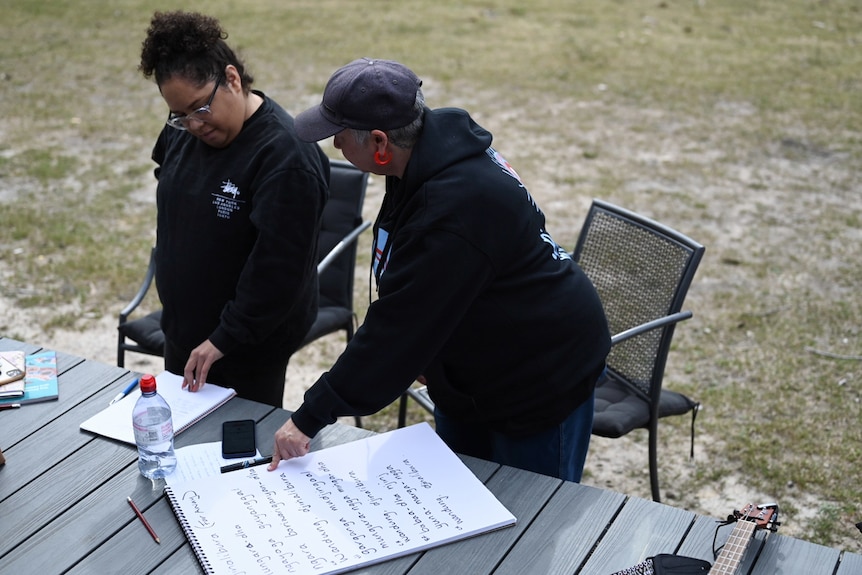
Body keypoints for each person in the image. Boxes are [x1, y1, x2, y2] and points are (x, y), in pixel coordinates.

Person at [270, 58, 610, 481]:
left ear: (379, 141)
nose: (334, 146)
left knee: (529, 518)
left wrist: (309, 416)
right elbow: (427, 293)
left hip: (539, 374)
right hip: (475, 368)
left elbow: (395, 330)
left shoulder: (453, 205)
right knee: (462, 491)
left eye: (338, 137)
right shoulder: (420, 158)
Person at [138, 11, 329, 406]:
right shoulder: (185, 131)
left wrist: (224, 338)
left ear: (232, 79)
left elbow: (280, 270)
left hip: (246, 345)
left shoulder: (285, 158)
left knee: (237, 456)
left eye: (199, 108)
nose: (193, 125)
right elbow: (172, 181)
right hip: (185, 330)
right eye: (179, 116)